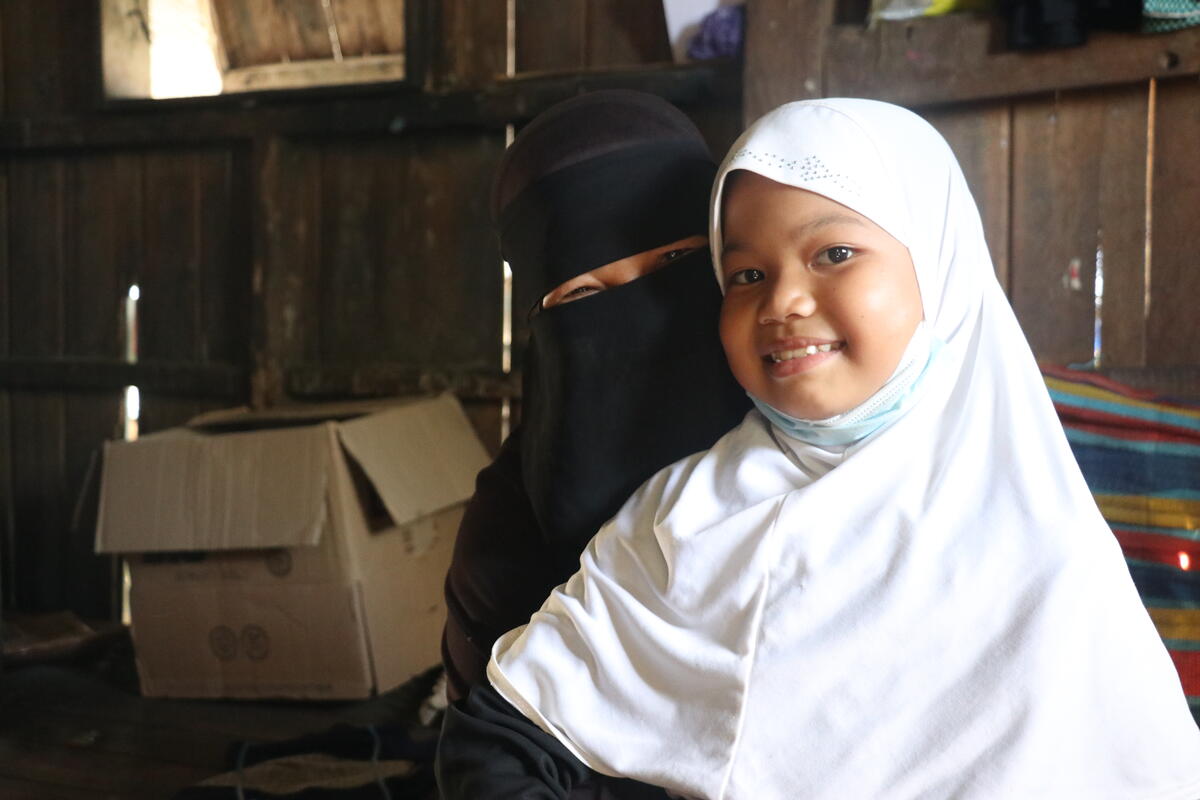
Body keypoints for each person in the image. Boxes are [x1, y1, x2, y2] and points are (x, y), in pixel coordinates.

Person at [438, 98, 1200, 799]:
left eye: (834, 254)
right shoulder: (685, 520)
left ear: (939, 264)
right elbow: (501, 740)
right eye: (745, 274)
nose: (783, 302)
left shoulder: (1049, 551)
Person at [438, 91, 750, 798]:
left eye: (674, 263)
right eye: (581, 296)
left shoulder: (817, 459)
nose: (637, 312)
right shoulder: (506, 535)